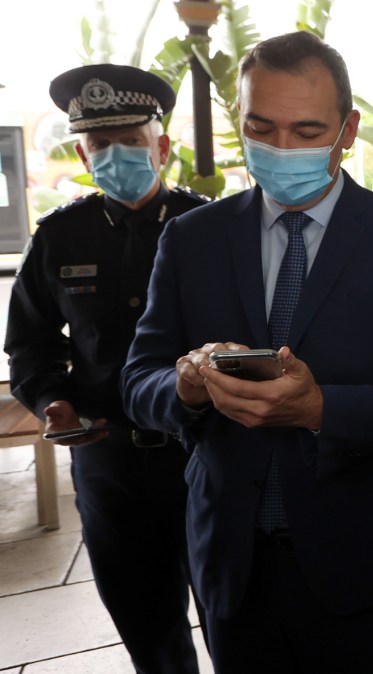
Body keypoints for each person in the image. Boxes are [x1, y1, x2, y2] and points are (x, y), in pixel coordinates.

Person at [120, 31, 373, 672]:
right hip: (232, 560)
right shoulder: (192, 241)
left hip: (361, 556)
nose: (282, 149)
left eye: (307, 131)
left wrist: (319, 408)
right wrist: (188, 385)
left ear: (348, 130)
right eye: (262, 128)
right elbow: (139, 382)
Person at [5, 64, 210, 673]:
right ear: (82, 152)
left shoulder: (207, 230)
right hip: (107, 461)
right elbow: (31, 345)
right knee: (145, 623)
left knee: (230, 605)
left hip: (200, 451)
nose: (116, 156)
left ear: (162, 146)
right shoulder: (59, 238)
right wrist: (52, 404)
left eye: (131, 142)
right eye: (101, 145)